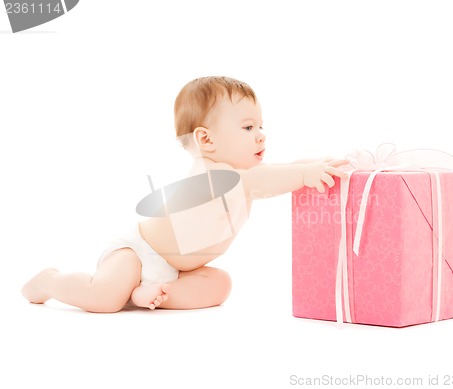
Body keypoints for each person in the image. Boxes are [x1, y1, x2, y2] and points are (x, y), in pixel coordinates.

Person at [21, 76, 348, 313]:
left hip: (180, 270)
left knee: (219, 285)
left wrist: (316, 164)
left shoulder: (242, 176)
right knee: (104, 297)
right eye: (248, 128)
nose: (261, 136)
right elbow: (265, 180)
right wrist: (305, 174)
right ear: (206, 140)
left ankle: (149, 293)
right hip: (137, 253)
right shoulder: (213, 175)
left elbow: (276, 173)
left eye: (261, 127)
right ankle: (49, 281)